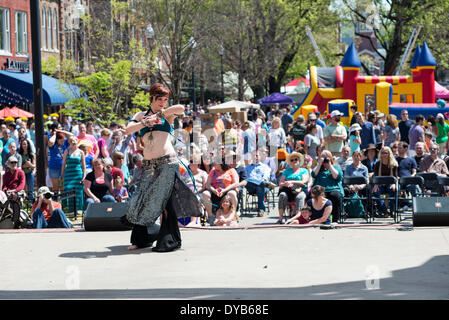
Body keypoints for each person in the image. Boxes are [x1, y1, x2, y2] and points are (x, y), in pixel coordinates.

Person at [124, 83, 201, 252]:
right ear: (151, 98)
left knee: (166, 202)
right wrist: (146, 121)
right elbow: (127, 130)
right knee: (143, 200)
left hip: (167, 162)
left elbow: (181, 108)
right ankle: (141, 240)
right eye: (160, 99)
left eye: (165, 99)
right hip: (149, 164)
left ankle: (168, 240)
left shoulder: (167, 115)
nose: (163, 102)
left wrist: (160, 114)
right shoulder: (140, 115)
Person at [312, 150, 344, 223]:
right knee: (315, 195)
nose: (324, 159)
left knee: (335, 196)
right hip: (320, 190)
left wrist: (330, 165)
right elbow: (314, 174)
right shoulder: (318, 168)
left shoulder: (336, 167)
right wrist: (319, 164)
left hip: (333, 189)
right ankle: (316, 219)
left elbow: (337, 177)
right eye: (322, 157)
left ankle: (335, 219)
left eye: (326, 157)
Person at [277, 152, 309, 224]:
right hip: (288, 190)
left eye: (296, 159)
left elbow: (303, 182)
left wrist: (292, 181)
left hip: (300, 190)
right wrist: (287, 183)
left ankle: (297, 219)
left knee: (300, 197)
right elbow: (280, 183)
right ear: (290, 162)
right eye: (292, 160)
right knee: (282, 195)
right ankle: (280, 218)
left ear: (299, 161)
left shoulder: (304, 170)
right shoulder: (287, 171)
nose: (294, 161)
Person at [61, 136, 86, 213]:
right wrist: (61, 176)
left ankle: (78, 210)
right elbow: (64, 164)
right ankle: (69, 210)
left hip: (78, 174)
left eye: (74, 140)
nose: (73, 142)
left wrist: (84, 176)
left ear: (77, 141)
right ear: (69, 142)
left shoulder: (81, 152)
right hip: (68, 174)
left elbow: (83, 166)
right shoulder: (67, 151)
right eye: (71, 141)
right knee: (68, 190)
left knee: (78, 192)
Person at [372, 146, 398, 216]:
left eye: (385, 153)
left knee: (394, 190)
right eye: (382, 153)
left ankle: (392, 210)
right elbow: (376, 176)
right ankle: (384, 210)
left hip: (390, 184)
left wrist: (394, 184)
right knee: (375, 191)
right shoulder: (377, 164)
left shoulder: (394, 164)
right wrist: (376, 184)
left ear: (389, 153)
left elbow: (395, 177)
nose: (383, 154)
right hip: (380, 184)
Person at [245, 150, 272, 217]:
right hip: (251, 187)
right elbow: (246, 179)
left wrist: (260, 182)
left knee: (260, 186)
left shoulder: (265, 167)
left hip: (263, 187)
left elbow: (265, 177)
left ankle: (261, 210)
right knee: (252, 182)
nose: (255, 157)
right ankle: (261, 209)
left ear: (260, 157)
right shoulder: (247, 168)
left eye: (257, 155)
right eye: (253, 155)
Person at [18, 139, 36, 203]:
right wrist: (24, 166)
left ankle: (31, 203)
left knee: (30, 189)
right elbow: (18, 166)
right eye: (23, 144)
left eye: (25, 144)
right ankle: (24, 203)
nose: (24, 145)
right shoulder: (19, 154)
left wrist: (29, 164)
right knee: (23, 189)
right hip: (22, 174)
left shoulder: (31, 154)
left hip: (29, 173)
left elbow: (34, 165)